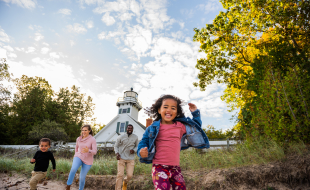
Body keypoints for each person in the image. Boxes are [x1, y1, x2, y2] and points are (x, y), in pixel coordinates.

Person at [137, 94, 210, 190]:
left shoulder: (180, 126)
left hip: (176, 168)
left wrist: (195, 113)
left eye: (173, 108)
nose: (169, 110)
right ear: (159, 110)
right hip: (159, 167)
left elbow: (195, 127)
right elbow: (144, 141)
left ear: (177, 112)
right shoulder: (152, 128)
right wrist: (141, 151)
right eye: (165, 107)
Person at [66, 125, 97, 190]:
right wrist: (76, 154)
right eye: (82, 130)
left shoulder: (92, 139)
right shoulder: (78, 139)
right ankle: (68, 185)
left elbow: (95, 152)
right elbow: (76, 147)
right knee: (73, 169)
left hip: (88, 160)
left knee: (82, 178)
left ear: (89, 131)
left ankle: (80, 189)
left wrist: (88, 150)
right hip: (79, 156)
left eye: (85, 130)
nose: (84, 131)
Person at [114, 124, 139, 190]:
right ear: (126, 129)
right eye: (128, 128)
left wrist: (134, 150)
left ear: (132, 129)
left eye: (131, 128)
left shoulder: (135, 137)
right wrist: (117, 153)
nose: (130, 129)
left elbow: (137, 146)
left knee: (130, 175)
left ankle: (125, 182)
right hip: (121, 158)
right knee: (120, 174)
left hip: (130, 159)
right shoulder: (120, 137)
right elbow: (116, 146)